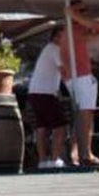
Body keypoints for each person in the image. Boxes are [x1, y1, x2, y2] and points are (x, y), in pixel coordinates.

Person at [63, 0, 99, 166]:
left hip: (74, 78)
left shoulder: (70, 31)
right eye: (82, 11)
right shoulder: (74, 29)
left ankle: (75, 152)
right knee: (85, 115)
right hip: (81, 77)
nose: (85, 14)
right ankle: (87, 154)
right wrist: (76, 16)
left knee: (81, 115)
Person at [28, 27, 68, 170]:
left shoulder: (48, 49)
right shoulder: (55, 49)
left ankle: (43, 161)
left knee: (42, 127)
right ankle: (55, 159)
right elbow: (63, 70)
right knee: (60, 127)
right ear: (57, 37)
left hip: (35, 91)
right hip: (45, 92)